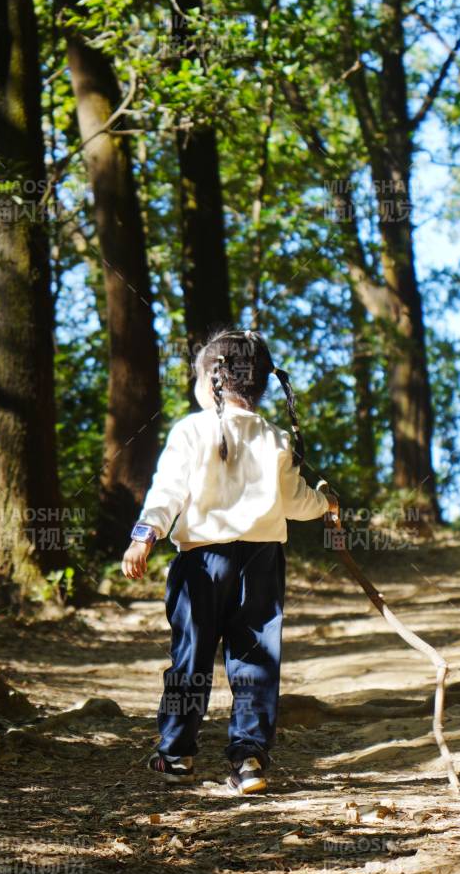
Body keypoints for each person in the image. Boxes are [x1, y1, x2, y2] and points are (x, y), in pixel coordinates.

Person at [121, 330, 335, 793]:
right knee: (256, 658)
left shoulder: (191, 430)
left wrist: (146, 534)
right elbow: (294, 502)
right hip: (261, 562)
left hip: (201, 562)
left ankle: (177, 753)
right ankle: (249, 760)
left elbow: (167, 491)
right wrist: (323, 503)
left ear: (210, 380)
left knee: (189, 656)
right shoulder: (275, 437)